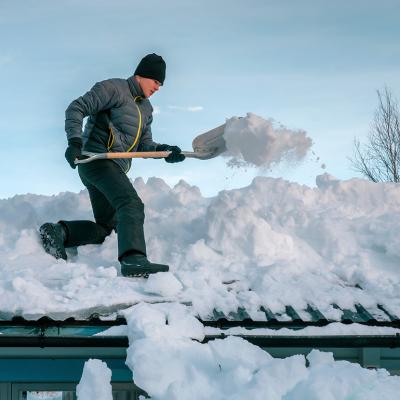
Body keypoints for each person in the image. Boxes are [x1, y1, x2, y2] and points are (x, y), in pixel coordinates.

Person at [39, 53, 185, 277]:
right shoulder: (114, 88)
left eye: (161, 84)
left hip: (113, 168)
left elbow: (144, 146)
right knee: (130, 204)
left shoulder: (146, 110)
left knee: (108, 230)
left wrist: (166, 151)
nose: (158, 87)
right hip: (96, 159)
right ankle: (134, 259)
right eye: (156, 81)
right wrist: (74, 143)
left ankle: (60, 232)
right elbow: (76, 108)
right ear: (141, 75)